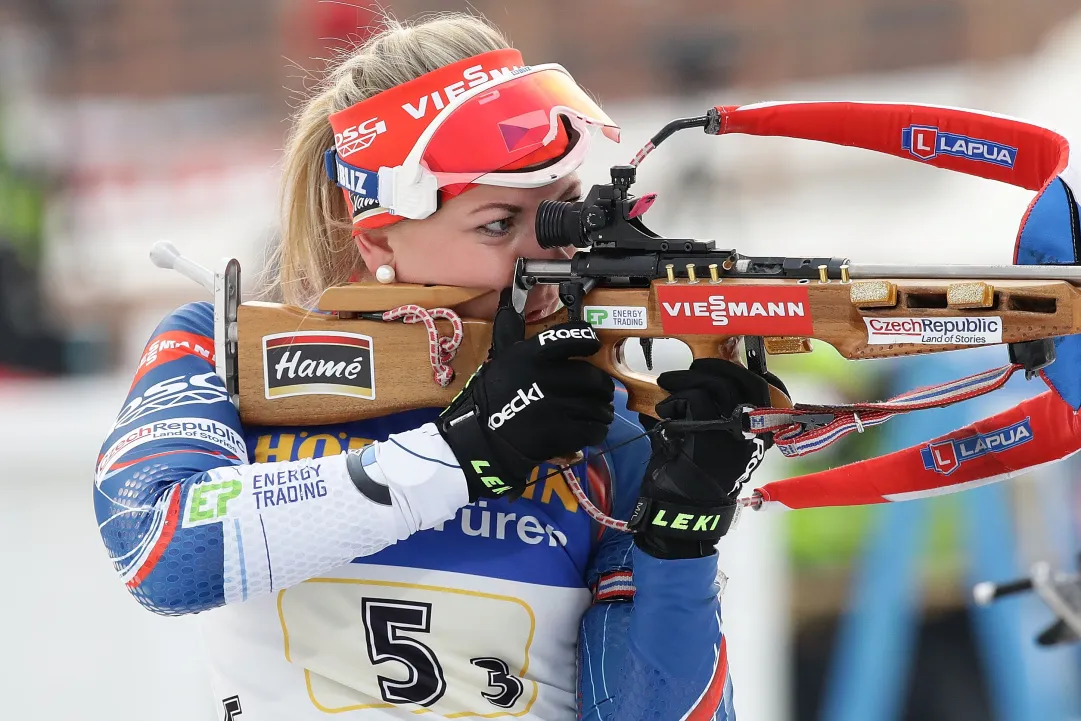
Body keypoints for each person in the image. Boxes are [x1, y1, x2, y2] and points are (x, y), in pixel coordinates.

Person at [93, 13, 782, 720]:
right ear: (373, 240)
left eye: (564, 214)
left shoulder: (595, 416)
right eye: (498, 223)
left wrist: (679, 538)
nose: (546, 259)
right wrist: (464, 454)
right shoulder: (227, 348)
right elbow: (157, 547)